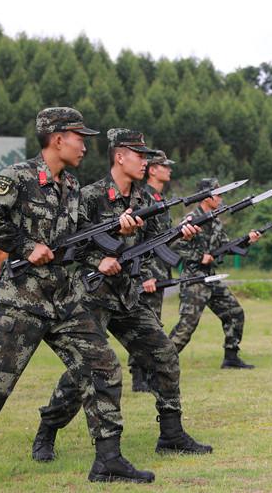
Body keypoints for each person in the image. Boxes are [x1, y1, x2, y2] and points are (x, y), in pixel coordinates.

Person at [0, 108, 153, 492]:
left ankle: (108, 460)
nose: (85, 144)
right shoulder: (18, 178)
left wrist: (116, 232)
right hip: (23, 300)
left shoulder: (72, 186)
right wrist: (24, 245)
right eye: (79, 137)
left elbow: (80, 238)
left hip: (66, 299)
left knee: (103, 368)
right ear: (57, 138)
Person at [31, 129, 213, 463]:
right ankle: (47, 430)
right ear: (120, 156)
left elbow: (161, 242)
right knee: (81, 373)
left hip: (128, 297)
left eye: (147, 157)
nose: (146, 162)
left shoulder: (145, 200)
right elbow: (66, 245)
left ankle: (171, 434)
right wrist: (98, 259)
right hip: (92, 296)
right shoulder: (89, 196)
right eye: (140, 155)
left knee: (165, 356)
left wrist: (185, 230)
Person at [169, 178, 260, 369]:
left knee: (235, 313)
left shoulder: (216, 220)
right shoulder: (191, 220)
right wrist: (198, 256)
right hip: (194, 279)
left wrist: (247, 240)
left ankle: (231, 357)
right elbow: (174, 245)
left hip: (212, 277)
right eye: (218, 194)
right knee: (187, 326)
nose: (221, 198)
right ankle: (157, 364)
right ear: (206, 197)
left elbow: (226, 246)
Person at [128, 149, 176, 392]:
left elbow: (162, 238)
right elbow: (137, 242)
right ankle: (139, 377)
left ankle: (147, 374)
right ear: (153, 169)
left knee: (153, 323)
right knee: (144, 325)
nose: (169, 170)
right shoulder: (144, 197)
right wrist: (144, 275)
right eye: (165, 166)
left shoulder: (159, 199)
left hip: (160, 269)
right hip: (147, 271)